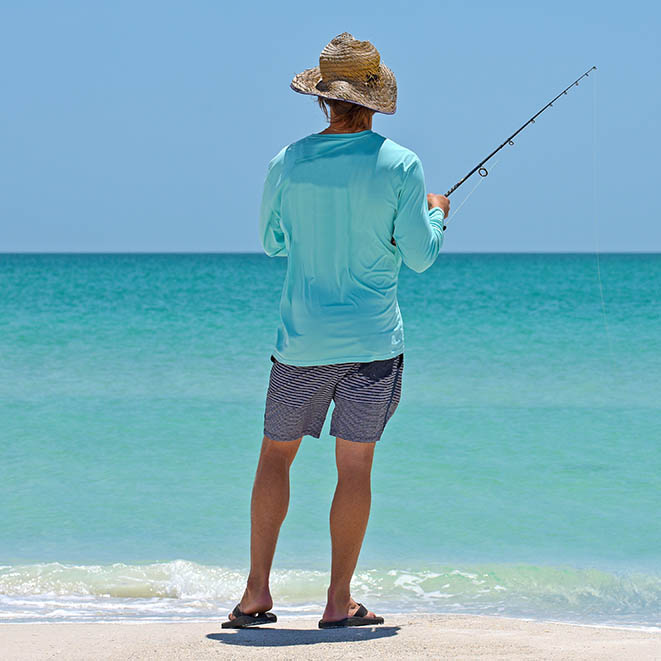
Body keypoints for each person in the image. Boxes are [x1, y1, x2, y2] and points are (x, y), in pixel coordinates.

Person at [222, 32, 449, 630]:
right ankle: (337, 600)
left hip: (300, 341)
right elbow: (421, 257)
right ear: (374, 98)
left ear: (323, 98)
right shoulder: (401, 164)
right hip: (373, 342)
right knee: (355, 468)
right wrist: (436, 214)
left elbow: (272, 243)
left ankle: (254, 595)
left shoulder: (289, 160)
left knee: (275, 457)